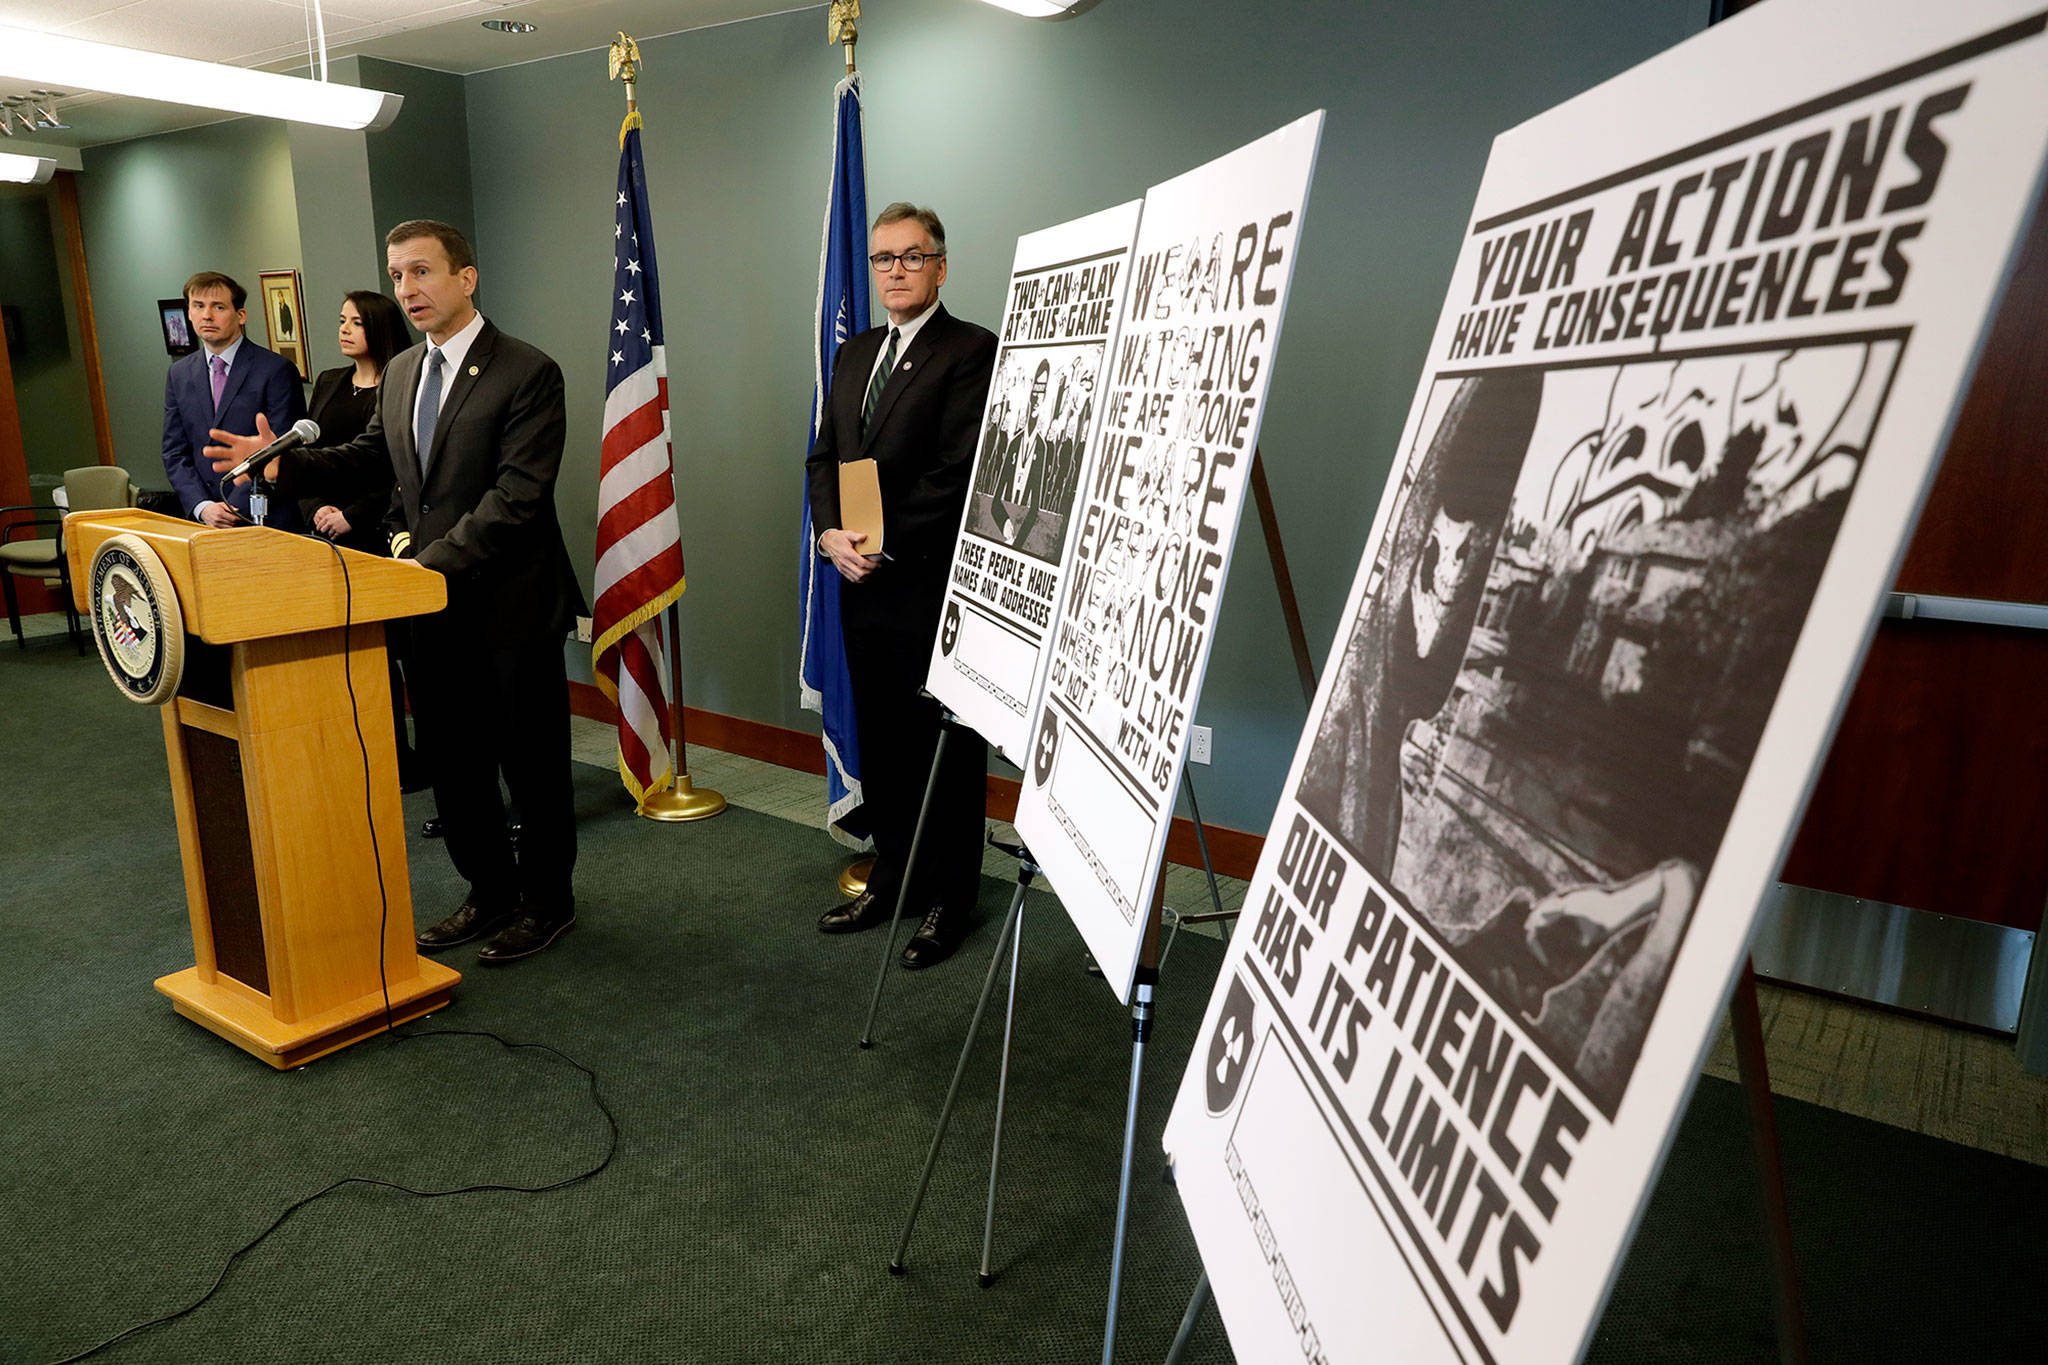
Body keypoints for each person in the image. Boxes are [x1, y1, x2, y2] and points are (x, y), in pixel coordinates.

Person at [207, 220, 584, 965]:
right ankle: (489, 890)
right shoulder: (405, 370)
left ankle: (547, 902)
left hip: (508, 605)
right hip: (425, 606)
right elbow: (373, 457)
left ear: (466, 278)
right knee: (455, 761)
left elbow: (517, 495)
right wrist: (281, 464)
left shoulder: (528, 371)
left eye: (422, 272)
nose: (407, 289)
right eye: (397, 275)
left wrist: (429, 563)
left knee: (529, 764)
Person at [805, 202, 997, 969]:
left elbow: (961, 474)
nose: (894, 271)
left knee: (944, 749)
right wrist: (829, 536)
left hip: (931, 587)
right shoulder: (855, 354)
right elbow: (824, 459)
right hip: (858, 581)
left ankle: (952, 898)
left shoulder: (971, 350)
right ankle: (895, 875)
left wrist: (879, 543)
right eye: (884, 258)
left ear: (940, 267)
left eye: (911, 257)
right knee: (884, 739)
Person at [300, 289, 431, 797]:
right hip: (326, 537)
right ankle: (388, 756)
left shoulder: (404, 380)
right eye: (340, 319)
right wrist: (314, 509)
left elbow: (396, 467)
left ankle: (433, 761)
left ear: (379, 327)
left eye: (355, 321)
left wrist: (352, 516)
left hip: (384, 536)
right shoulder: (331, 383)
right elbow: (315, 451)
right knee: (365, 656)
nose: (345, 329)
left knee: (408, 656)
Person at [161, 271, 305, 530]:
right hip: (203, 522)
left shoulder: (275, 370)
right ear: (189, 313)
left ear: (240, 316)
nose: (207, 315)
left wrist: (232, 506)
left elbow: (282, 447)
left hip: (264, 518)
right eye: (198, 306)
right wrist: (202, 507)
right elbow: (174, 452)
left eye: (218, 307)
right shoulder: (179, 374)